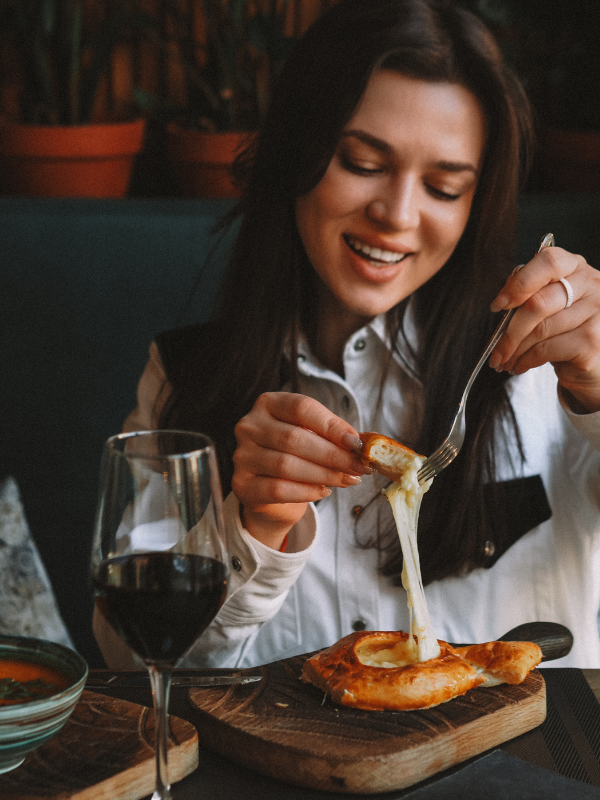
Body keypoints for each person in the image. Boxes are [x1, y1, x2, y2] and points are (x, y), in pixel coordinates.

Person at [94, 0, 600, 670]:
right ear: (296, 155)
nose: (398, 215)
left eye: (444, 188)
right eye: (362, 163)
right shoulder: (188, 375)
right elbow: (131, 662)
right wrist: (251, 527)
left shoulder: (543, 359)